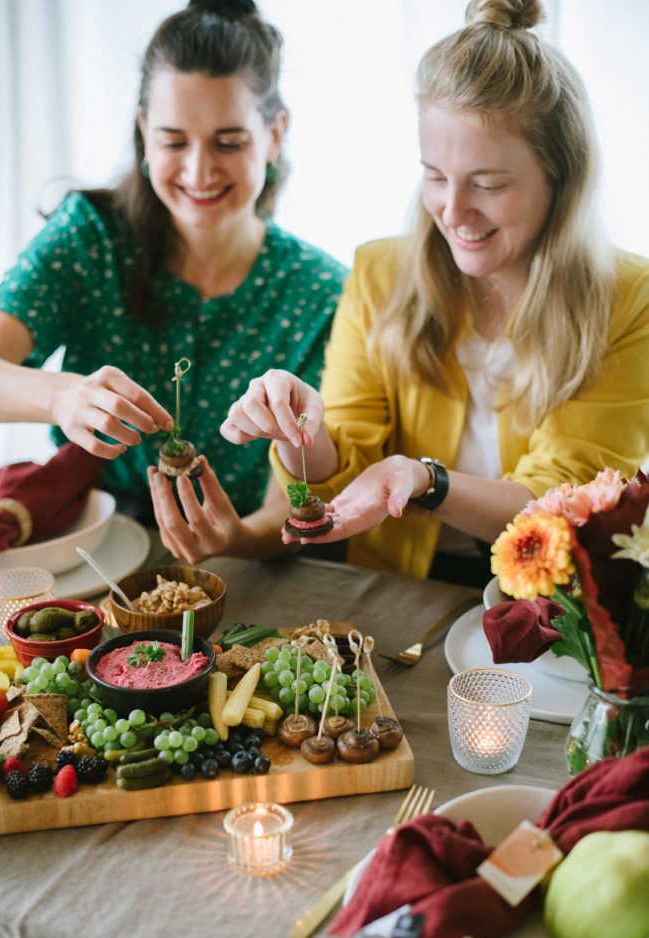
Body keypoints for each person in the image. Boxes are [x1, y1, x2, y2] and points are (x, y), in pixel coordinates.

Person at [220, 0, 649, 586]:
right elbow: (343, 482)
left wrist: (426, 480)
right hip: (400, 590)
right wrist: (305, 429)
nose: (453, 212)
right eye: (435, 176)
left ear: (561, 178)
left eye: (489, 184)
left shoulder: (630, 299)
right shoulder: (378, 274)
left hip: (555, 599)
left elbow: (562, 496)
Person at [0, 0, 346, 564]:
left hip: (245, 566)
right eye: (173, 141)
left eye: (228, 142)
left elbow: (294, 500)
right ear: (144, 131)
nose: (198, 172)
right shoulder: (88, 236)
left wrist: (238, 540)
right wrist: (62, 395)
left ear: (274, 135)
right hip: (89, 546)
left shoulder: (324, 293)